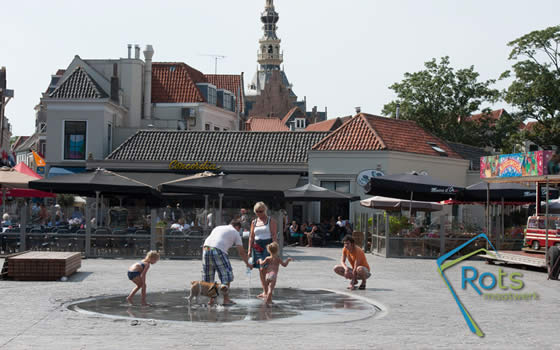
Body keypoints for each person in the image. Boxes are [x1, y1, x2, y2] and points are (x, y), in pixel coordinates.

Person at [202, 219, 252, 305]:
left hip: (206, 249)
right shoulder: (235, 232)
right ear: (237, 227)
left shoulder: (218, 227)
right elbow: (241, 252)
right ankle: (226, 299)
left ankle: (211, 300)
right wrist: (248, 263)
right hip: (218, 250)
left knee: (209, 277)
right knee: (226, 276)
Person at [248, 201, 278, 299]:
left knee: (264, 268)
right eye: (257, 211)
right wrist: (249, 249)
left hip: (268, 245)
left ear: (265, 210)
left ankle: (269, 290)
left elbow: (274, 235)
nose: (259, 213)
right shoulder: (254, 222)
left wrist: (274, 249)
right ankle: (265, 291)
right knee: (260, 270)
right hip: (257, 246)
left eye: (261, 211)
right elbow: (251, 236)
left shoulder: (270, 220)